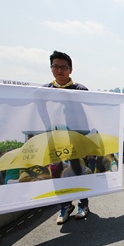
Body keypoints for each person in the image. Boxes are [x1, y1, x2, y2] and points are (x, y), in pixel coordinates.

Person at [43, 50, 91, 224]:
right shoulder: (44, 91)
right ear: (51, 68)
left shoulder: (80, 90)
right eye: (55, 66)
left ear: (70, 70)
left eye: (64, 67)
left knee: (78, 170)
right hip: (54, 140)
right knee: (57, 172)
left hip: (75, 139)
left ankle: (83, 204)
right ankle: (65, 206)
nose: (59, 70)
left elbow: (89, 115)